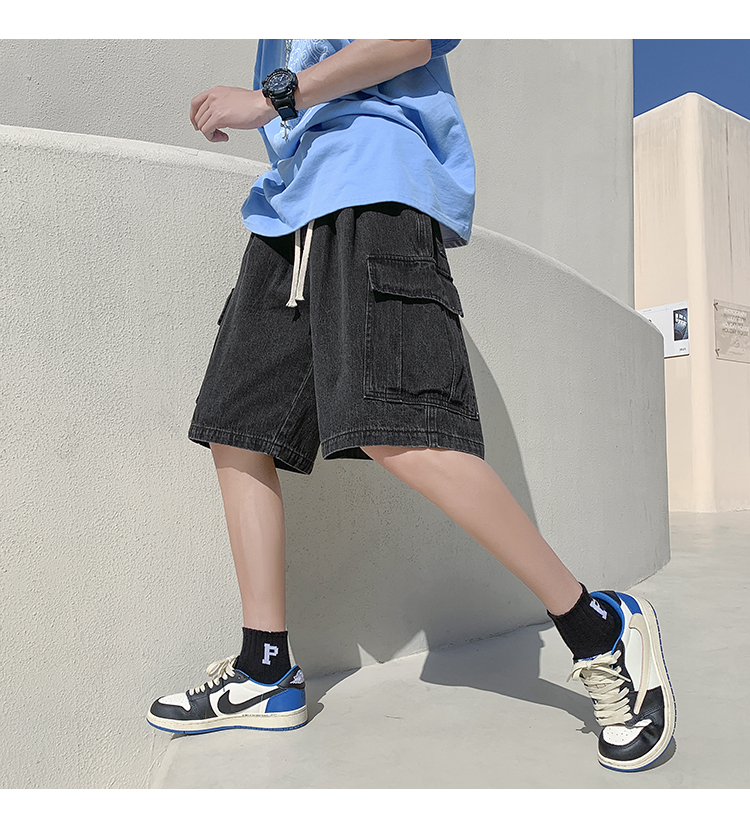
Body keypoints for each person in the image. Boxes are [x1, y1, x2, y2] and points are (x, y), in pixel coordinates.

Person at [146, 39, 676, 772]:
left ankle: (598, 626)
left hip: (374, 186)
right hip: (286, 211)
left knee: (402, 430)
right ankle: (265, 668)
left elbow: (411, 38)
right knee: (238, 429)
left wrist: (270, 97)